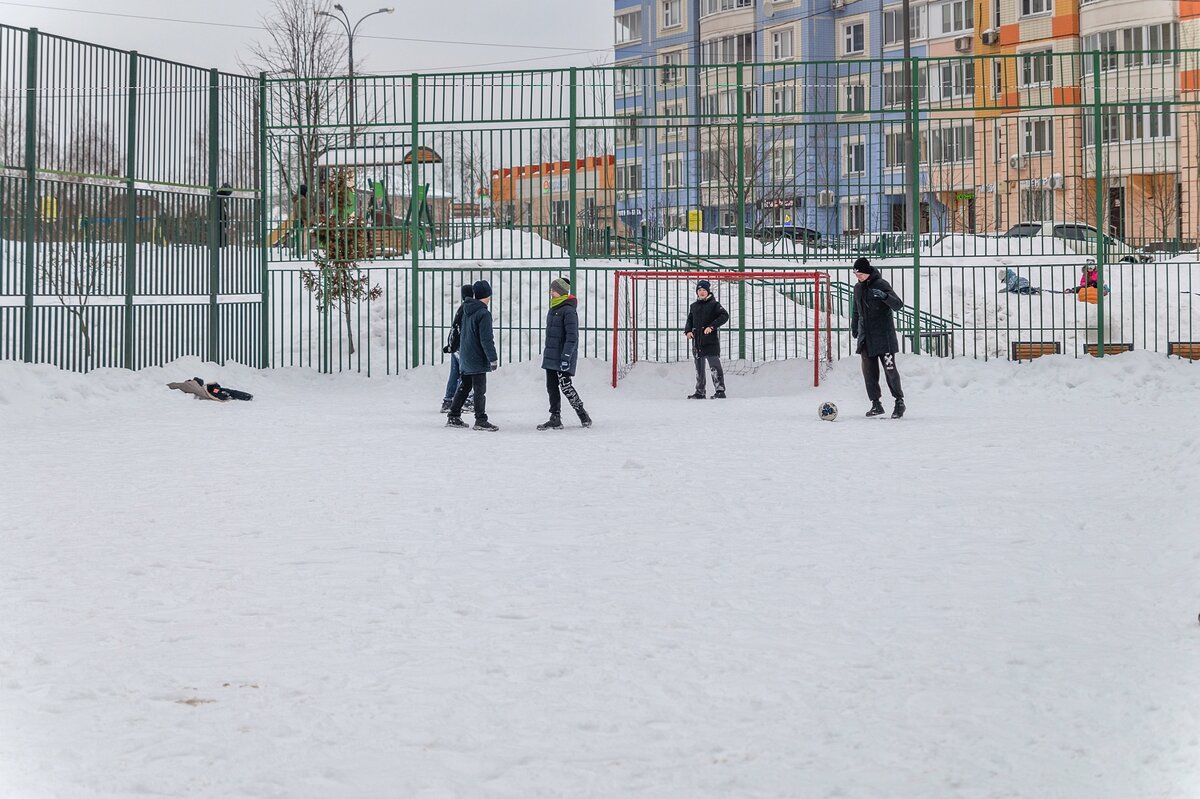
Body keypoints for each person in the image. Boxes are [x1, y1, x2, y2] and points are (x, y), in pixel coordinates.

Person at [850, 257, 906, 418]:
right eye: (856, 275)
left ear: (867, 272)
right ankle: (876, 403)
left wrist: (884, 297)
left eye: (860, 274)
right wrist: (855, 327)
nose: (858, 277)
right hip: (866, 338)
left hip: (884, 337)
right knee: (869, 372)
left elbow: (898, 305)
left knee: (890, 370)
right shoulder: (858, 288)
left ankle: (899, 402)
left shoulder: (881, 284)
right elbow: (856, 310)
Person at [537, 277, 593, 430]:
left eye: (553, 290)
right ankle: (555, 417)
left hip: (562, 356)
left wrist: (566, 356)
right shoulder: (553, 308)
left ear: (560, 292)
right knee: (551, 386)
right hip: (551, 355)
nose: (551, 292)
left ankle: (582, 414)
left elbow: (572, 336)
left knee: (566, 386)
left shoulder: (568, 310)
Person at [446, 280, 499, 431]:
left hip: (466, 355)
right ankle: (480, 420)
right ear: (487, 294)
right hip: (477, 356)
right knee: (479, 389)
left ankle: (454, 415)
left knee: (465, 385)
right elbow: (486, 339)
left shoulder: (466, 309)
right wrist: (492, 358)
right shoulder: (483, 313)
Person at [684, 279, 730, 399]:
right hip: (697, 342)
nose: (702, 292)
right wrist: (688, 331)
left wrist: (712, 326)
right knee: (699, 367)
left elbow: (725, 316)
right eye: (699, 290)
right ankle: (700, 391)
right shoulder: (693, 306)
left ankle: (720, 391)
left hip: (710, 342)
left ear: (708, 291)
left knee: (714, 366)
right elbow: (690, 320)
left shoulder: (714, 304)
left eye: (704, 290)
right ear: (697, 292)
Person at [441, 284, 476, 413]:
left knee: (454, 374)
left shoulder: (461, 309)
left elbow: (455, 328)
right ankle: (467, 400)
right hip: (463, 347)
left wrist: (451, 346)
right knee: (467, 374)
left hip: (455, 346)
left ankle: (448, 400)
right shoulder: (469, 309)